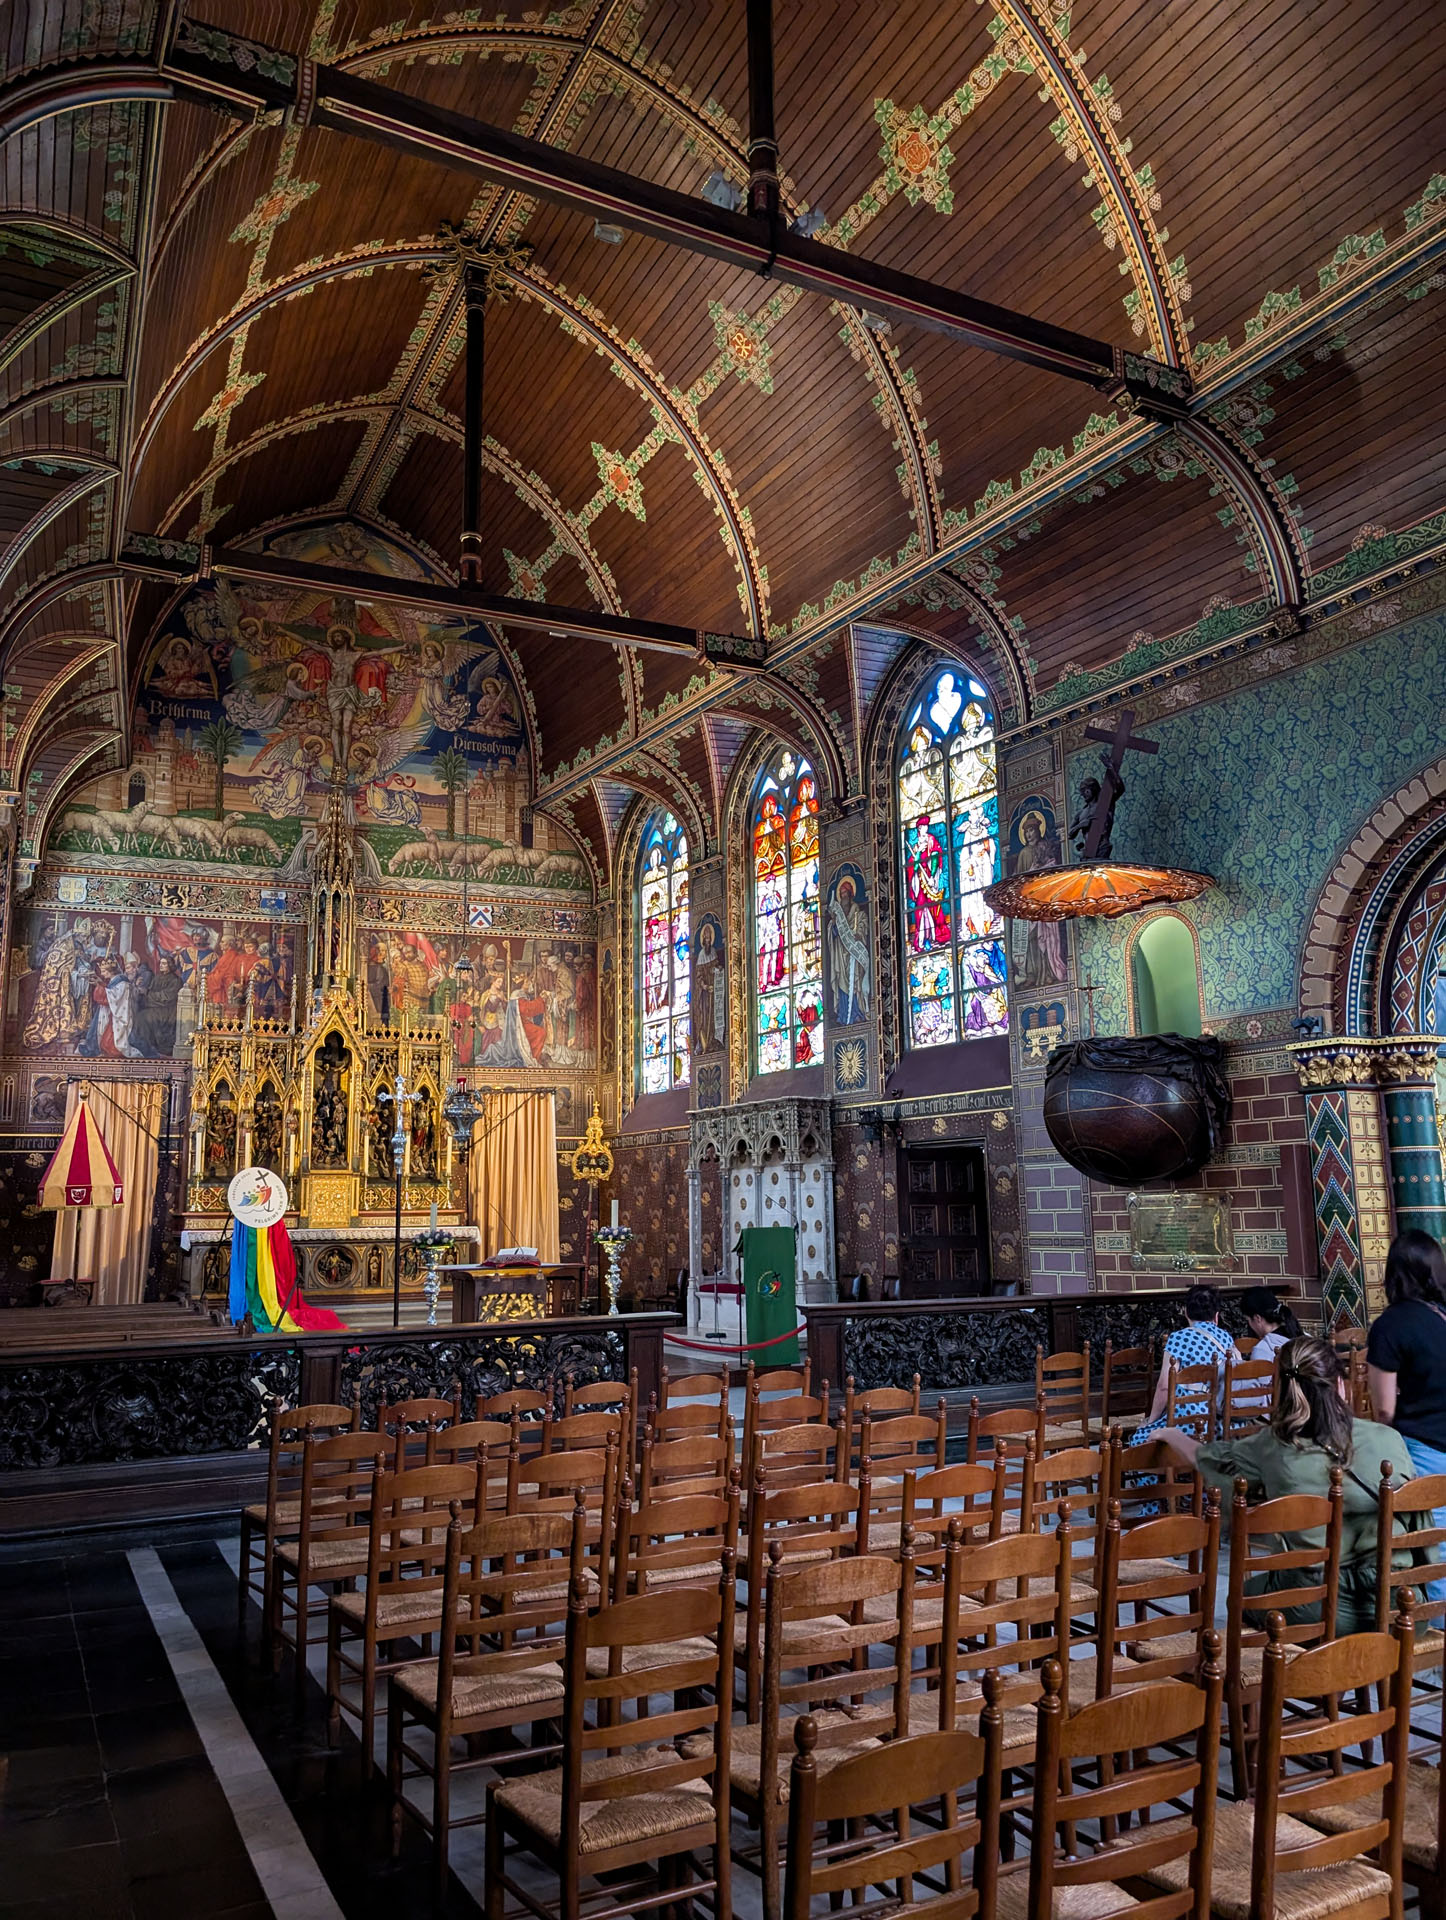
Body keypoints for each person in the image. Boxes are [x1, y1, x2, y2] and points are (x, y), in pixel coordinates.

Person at [1157, 1336, 1427, 1633]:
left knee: (1241, 1597)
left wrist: (1169, 1434)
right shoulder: (1389, 1438)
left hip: (1315, 1604)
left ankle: (1303, 1673)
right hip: (1399, 1603)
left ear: (1282, 1392)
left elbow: (1209, 1459)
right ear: (1340, 1385)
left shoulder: (1271, 1447)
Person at [1367, 1229, 1446, 1600]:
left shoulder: (1391, 1325)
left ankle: (1436, 1632)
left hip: (1423, 1447)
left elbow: (1384, 1409)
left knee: (1434, 1544)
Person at [1128, 1282, 1237, 1445]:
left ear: (1186, 1312)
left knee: (1139, 1439)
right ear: (1216, 1315)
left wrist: (1151, 1420)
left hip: (1187, 1420)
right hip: (1219, 1422)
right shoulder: (1226, 1338)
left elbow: (1164, 1386)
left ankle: (1168, 1469)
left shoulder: (1179, 1338)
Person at [1239, 1285, 1303, 1361]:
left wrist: (1239, 1362)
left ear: (1257, 1318)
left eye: (1248, 1320)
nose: (1249, 1325)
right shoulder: (1302, 1337)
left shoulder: (1261, 1351)